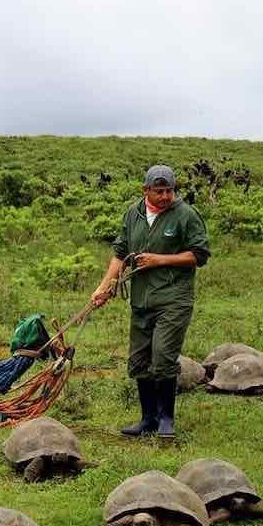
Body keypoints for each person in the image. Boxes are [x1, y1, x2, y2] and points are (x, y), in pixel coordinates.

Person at [90, 165, 210, 439]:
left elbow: (200, 254)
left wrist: (161, 260)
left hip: (173, 298)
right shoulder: (133, 213)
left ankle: (166, 419)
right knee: (140, 359)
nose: (166, 196)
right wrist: (105, 285)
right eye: (159, 191)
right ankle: (147, 419)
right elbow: (120, 252)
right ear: (146, 191)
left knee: (163, 356)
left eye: (169, 190)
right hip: (142, 299)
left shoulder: (186, 215)